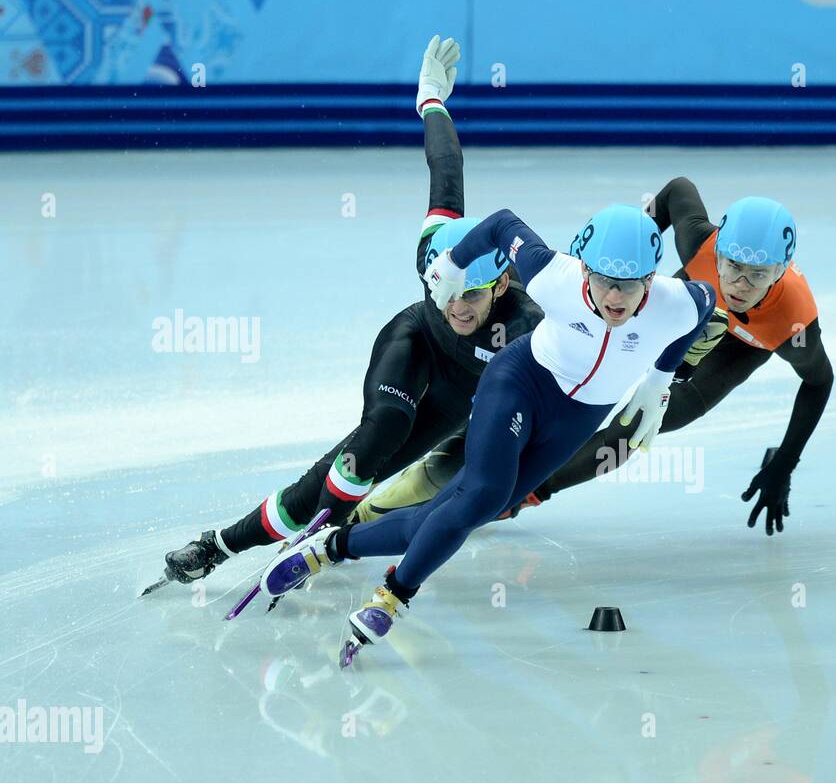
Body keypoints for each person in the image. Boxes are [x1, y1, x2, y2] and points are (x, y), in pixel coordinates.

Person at [146, 35, 543, 591]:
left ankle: (224, 543)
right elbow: (445, 166)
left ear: (502, 282)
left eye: (472, 298)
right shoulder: (440, 248)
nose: (456, 306)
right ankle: (276, 542)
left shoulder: (528, 321)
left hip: (459, 395)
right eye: (447, 291)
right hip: (414, 344)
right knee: (380, 430)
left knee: (351, 471)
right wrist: (431, 98)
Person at [256, 204, 715, 665]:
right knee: (481, 495)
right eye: (603, 281)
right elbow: (500, 224)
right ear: (585, 270)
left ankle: (329, 547)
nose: (616, 297)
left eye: (630, 284)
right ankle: (391, 599)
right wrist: (453, 264)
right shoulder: (554, 276)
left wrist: (659, 381)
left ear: (650, 281)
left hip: (578, 417)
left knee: (455, 515)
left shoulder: (675, 303)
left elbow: (704, 306)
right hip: (520, 381)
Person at [351, 176, 833, 535]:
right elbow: (678, 190)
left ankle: (533, 490)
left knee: (635, 432)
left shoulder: (794, 320)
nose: (740, 285)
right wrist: (641, 242)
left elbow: (818, 383)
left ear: (782, 271)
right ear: (718, 248)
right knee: (557, 357)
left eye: (758, 275)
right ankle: (471, 439)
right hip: (672, 316)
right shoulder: (701, 242)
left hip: (736, 350)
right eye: (732, 266)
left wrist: (784, 462)